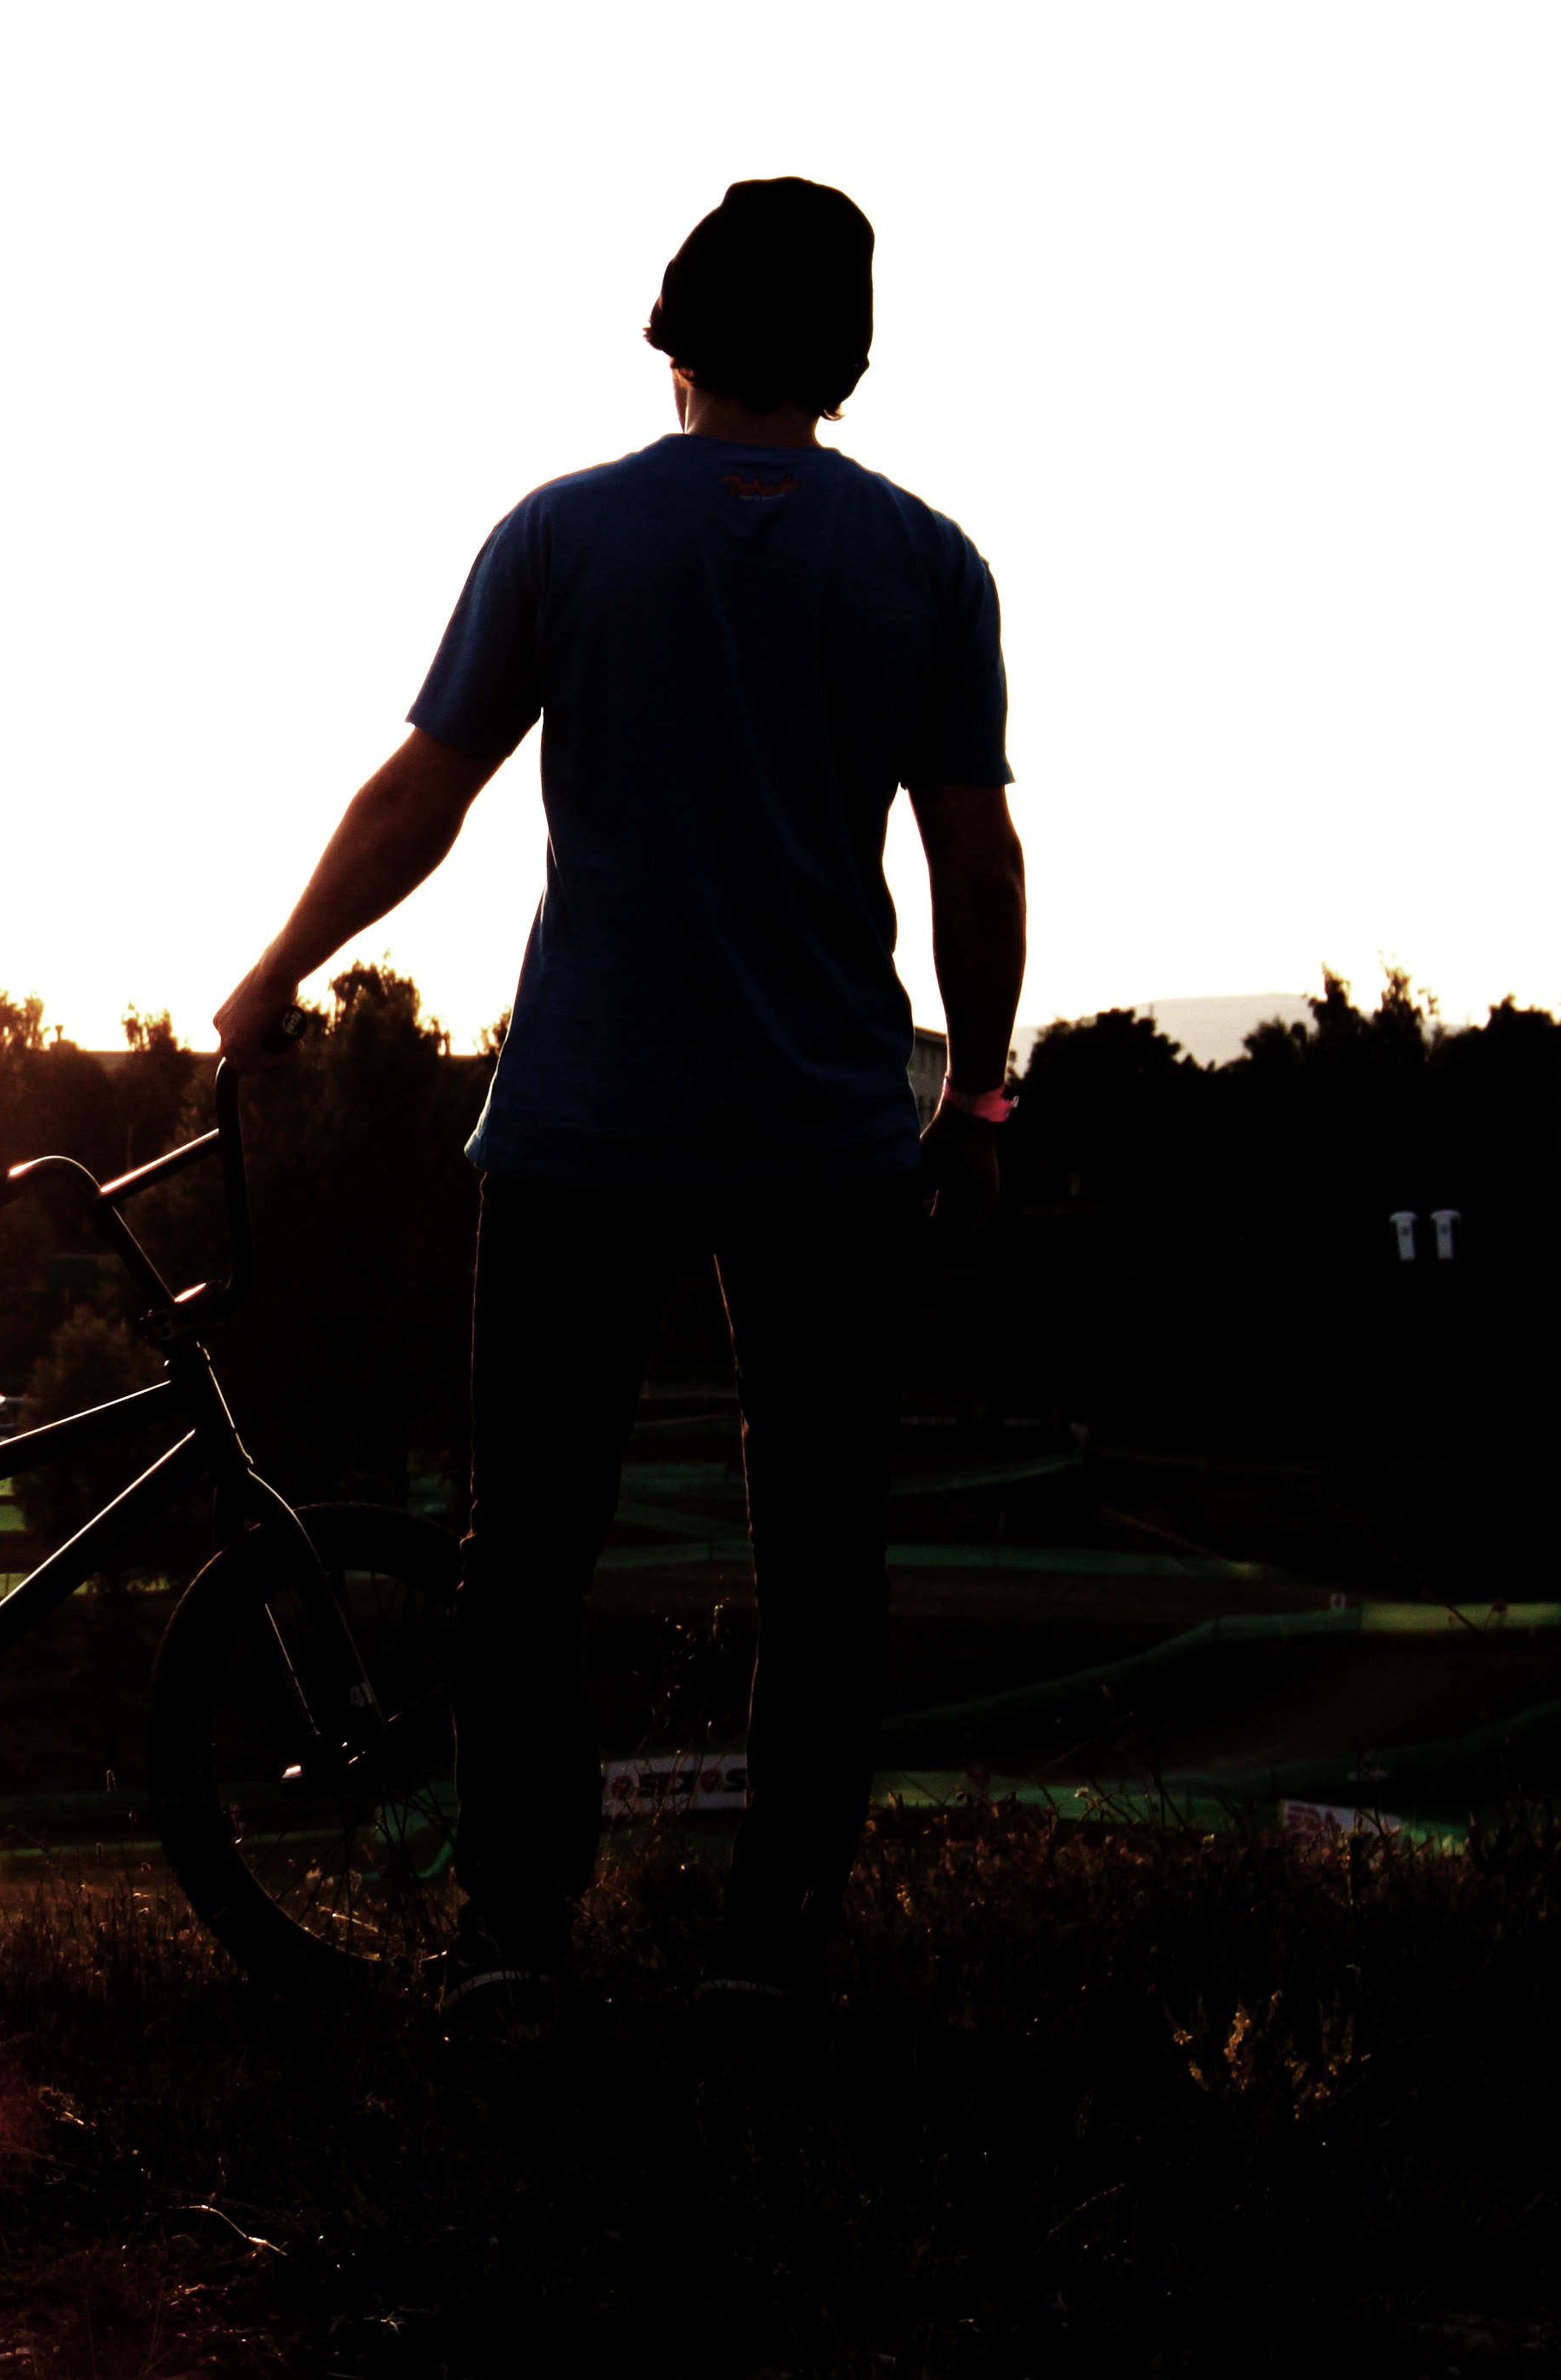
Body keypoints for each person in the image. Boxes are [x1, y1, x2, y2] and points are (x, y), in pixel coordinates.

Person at [210, 177, 1027, 2027]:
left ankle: (514, 1937)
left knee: (531, 1554)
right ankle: (770, 1952)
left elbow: (425, 794)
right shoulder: (927, 564)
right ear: (847, 355)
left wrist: (276, 976)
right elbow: (978, 870)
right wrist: (975, 1102)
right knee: (825, 1553)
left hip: (585, 1128)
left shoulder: (566, 537)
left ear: (674, 343)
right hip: (829, 1137)